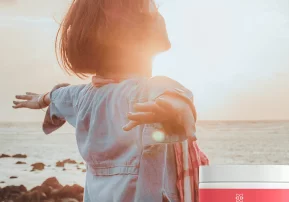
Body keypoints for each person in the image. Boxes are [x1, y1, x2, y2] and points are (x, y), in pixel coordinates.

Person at [12, 0, 209, 201]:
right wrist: (170, 110)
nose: (160, 15)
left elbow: (59, 97)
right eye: (151, 10)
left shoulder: (84, 97)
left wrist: (41, 99)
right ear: (125, 27)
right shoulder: (149, 90)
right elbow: (176, 99)